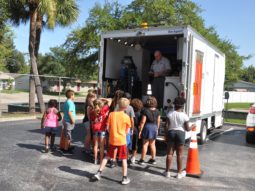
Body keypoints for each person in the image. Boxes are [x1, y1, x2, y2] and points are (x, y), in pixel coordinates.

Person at [93, 98, 131, 185]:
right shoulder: (126, 117)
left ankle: (99, 172)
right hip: (122, 140)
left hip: (112, 140)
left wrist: (113, 134)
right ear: (126, 107)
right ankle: (124, 178)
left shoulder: (112, 114)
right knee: (124, 159)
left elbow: (108, 128)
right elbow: (127, 131)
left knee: (107, 156)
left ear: (118, 104)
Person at [164, 97, 191, 179]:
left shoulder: (169, 114)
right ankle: (179, 174)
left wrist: (165, 135)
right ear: (182, 106)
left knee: (169, 154)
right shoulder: (184, 116)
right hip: (180, 134)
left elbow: (166, 126)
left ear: (174, 105)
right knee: (179, 154)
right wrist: (192, 126)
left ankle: (167, 172)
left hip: (171, 133)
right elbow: (187, 129)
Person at [138, 96, 160, 165]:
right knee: (153, 144)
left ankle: (142, 160)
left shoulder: (145, 110)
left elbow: (143, 122)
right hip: (154, 127)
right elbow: (158, 121)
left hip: (147, 127)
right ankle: (153, 159)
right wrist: (157, 128)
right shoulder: (157, 111)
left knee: (145, 144)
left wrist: (140, 130)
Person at [90, 98, 111, 164]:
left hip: (95, 129)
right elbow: (110, 100)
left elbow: (92, 121)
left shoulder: (92, 111)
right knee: (102, 146)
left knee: (95, 145)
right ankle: (101, 159)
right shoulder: (104, 109)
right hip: (102, 129)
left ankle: (95, 159)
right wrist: (102, 98)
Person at [129, 98, 144, 164]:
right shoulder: (140, 113)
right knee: (135, 144)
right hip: (136, 129)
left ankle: (126, 157)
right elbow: (141, 123)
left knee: (128, 143)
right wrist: (140, 131)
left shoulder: (130, 112)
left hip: (129, 128)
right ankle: (133, 157)